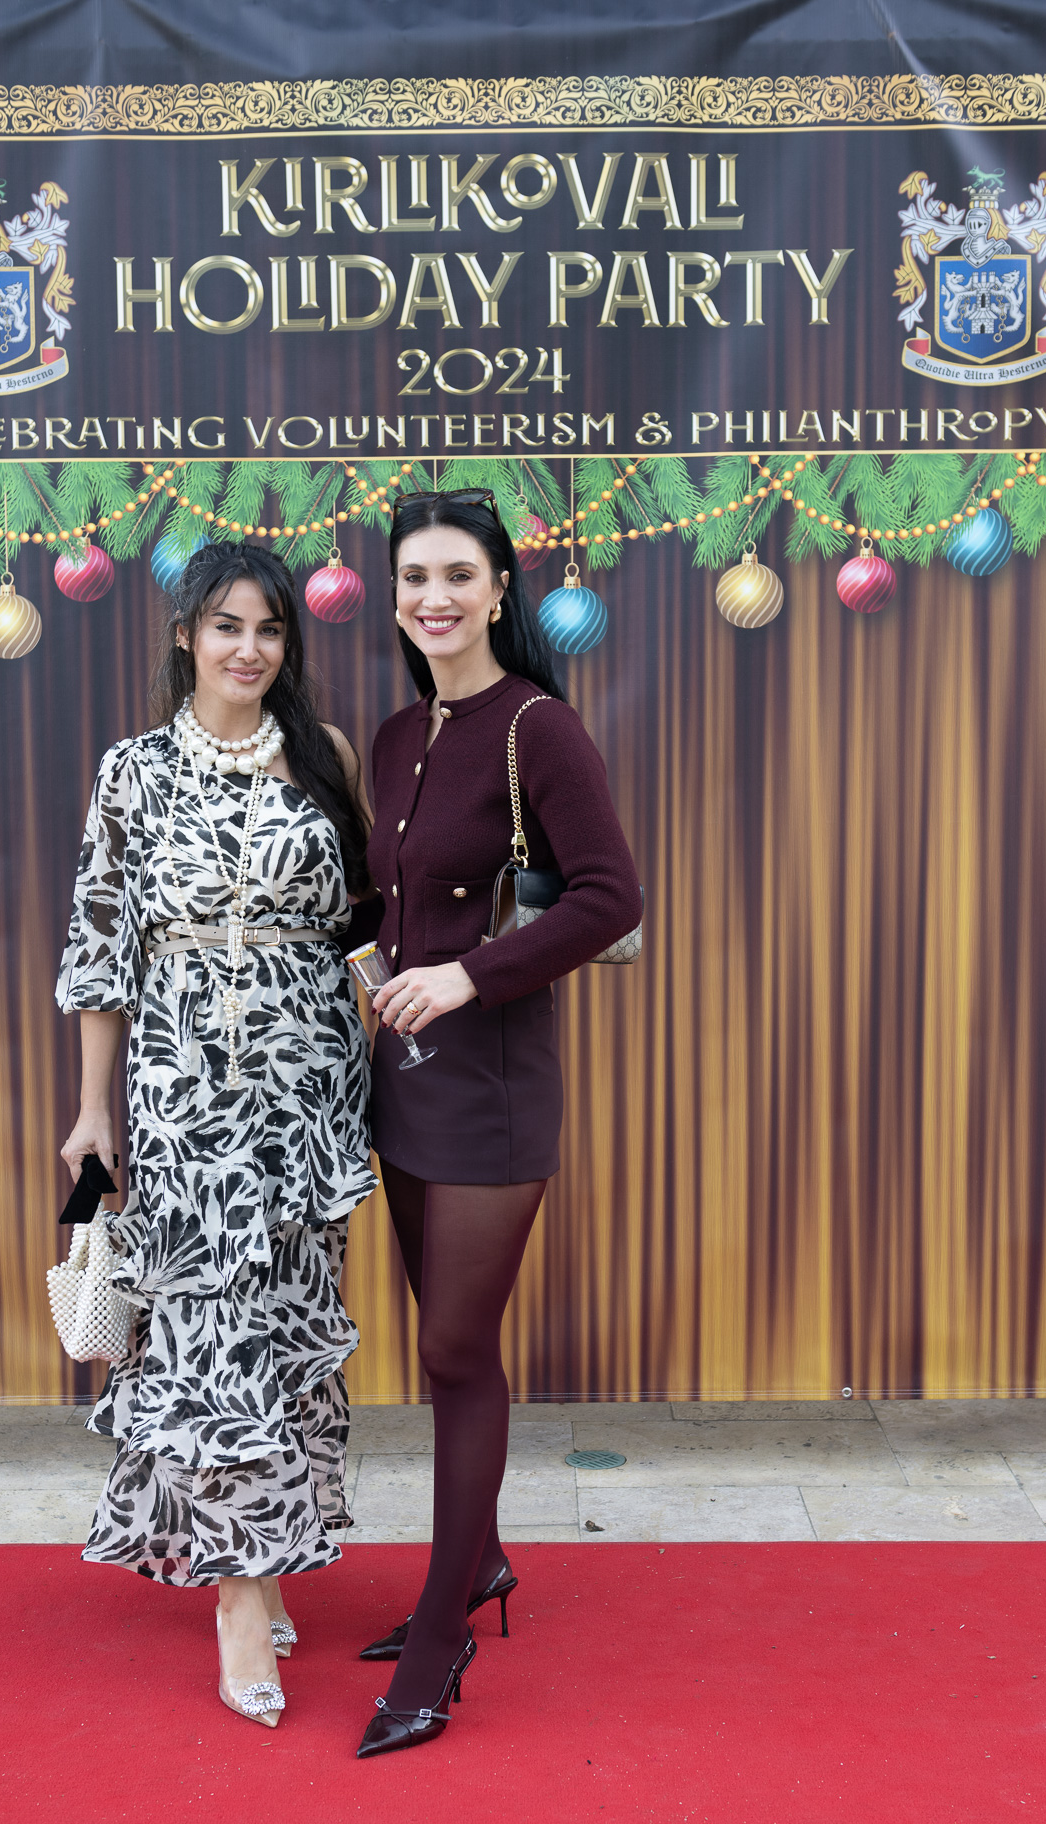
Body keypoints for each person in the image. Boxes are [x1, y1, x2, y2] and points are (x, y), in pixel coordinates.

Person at [56, 541, 376, 1731]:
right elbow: (100, 949)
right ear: (186, 634)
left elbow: (360, 923)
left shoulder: (325, 755)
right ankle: (241, 1600)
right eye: (227, 626)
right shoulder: (132, 772)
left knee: (280, 1322)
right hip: (185, 1089)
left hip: (309, 1088)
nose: (249, 649)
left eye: (270, 629)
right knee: (209, 1328)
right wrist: (95, 1111)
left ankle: (269, 1557)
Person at [354, 490, 642, 1759]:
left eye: (457, 575)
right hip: (405, 1084)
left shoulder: (537, 727)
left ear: (498, 589)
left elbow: (610, 898)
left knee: (456, 1352)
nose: (434, 597)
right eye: (414, 577)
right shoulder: (393, 735)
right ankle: (478, 1564)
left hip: (494, 1091)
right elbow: (385, 901)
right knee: (441, 1345)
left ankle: (439, 1633)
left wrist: (468, 974)